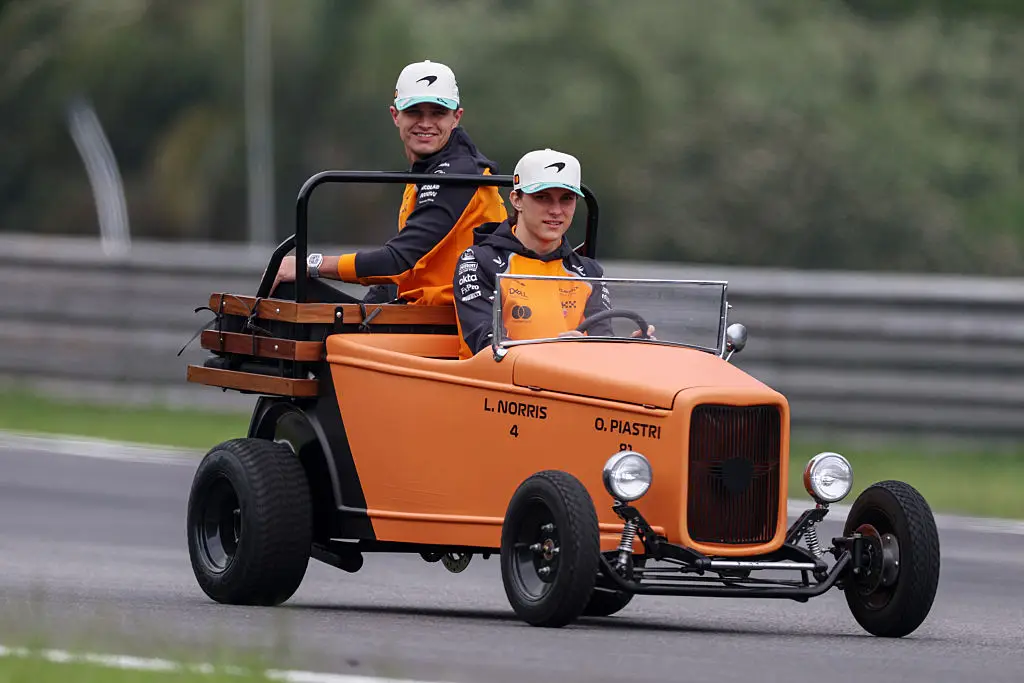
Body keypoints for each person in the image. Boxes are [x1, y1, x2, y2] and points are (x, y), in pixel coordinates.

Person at [270, 59, 507, 306]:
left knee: (289, 289)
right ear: (395, 116)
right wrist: (370, 308)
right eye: (414, 111)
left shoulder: (459, 174)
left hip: (455, 322)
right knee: (289, 292)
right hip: (423, 315)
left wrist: (309, 264)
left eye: (438, 113)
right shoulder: (428, 170)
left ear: (456, 118)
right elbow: (403, 272)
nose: (425, 123)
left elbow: (397, 261)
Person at [454, 148, 652, 359]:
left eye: (567, 198)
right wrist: (558, 353)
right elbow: (488, 347)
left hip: (570, 385)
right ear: (516, 200)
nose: (556, 210)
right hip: (498, 387)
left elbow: (602, 344)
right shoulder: (478, 261)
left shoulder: (588, 270)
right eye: (542, 197)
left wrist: (630, 350)